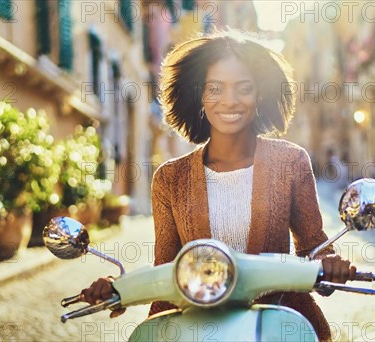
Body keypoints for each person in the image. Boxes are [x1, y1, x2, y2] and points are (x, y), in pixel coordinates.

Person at [80, 30, 356, 342]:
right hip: (199, 329)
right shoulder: (171, 179)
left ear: (261, 93)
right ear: (199, 94)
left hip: (280, 323)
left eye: (244, 88)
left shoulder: (291, 162)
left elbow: (313, 247)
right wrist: (118, 289)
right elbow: (169, 270)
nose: (230, 100)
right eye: (215, 88)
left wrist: (329, 265)